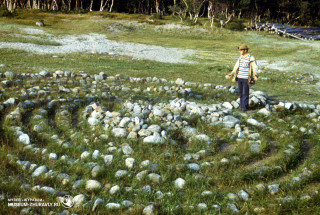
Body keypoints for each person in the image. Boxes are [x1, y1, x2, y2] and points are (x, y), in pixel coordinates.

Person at [225, 44, 258, 112]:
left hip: (246, 78)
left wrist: (255, 75)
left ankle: (245, 108)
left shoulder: (251, 58)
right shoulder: (241, 57)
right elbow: (236, 66)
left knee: (245, 93)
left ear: (245, 50)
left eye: (241, 50)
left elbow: (255, 67)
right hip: (240, 77)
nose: (239, 51)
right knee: (240, 92)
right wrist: (231, 74)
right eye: (239, 50)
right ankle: (242, 106)